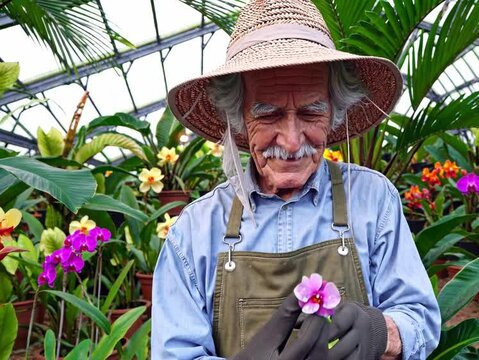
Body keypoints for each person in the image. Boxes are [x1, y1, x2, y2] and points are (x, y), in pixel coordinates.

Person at [152, 0, 441, 359]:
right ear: (239, 117)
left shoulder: (371, 199)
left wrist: (385, 332)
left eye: (311, 111)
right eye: (269, 114)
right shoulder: (196, 231)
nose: (291, 141)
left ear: (334, 111)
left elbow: (421, 318)